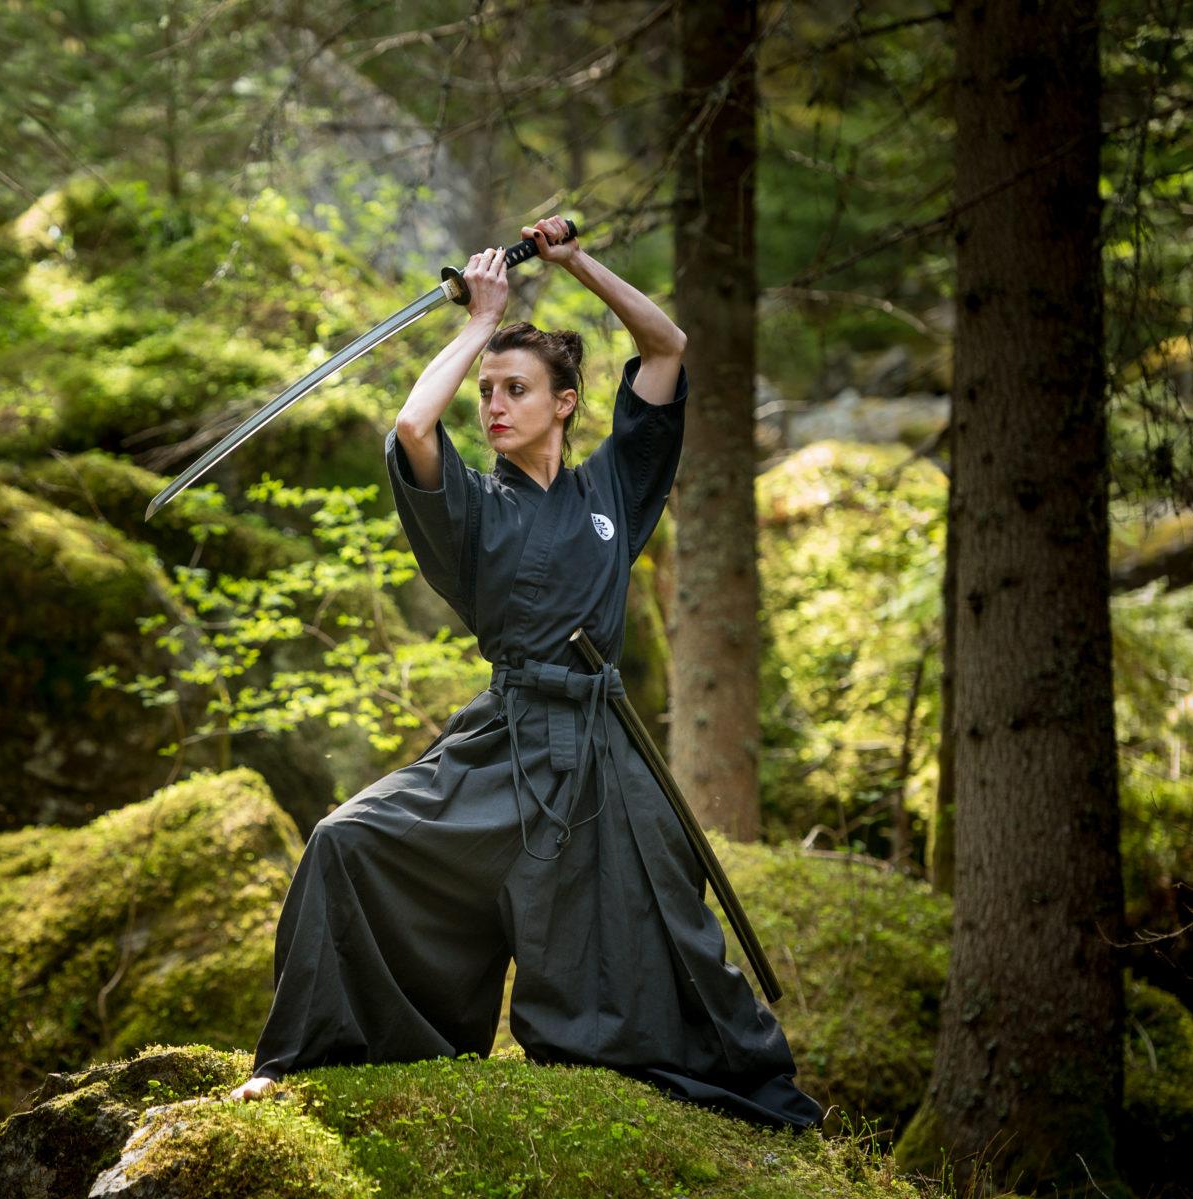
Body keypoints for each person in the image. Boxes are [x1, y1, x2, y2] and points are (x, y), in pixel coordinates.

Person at [226, 216, 819, 1129]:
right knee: (347, 840)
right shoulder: (472, 508)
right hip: (503, 740)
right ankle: (313, 1051)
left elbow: (666, 344)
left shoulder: (617, 485)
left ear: (567, 401)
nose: (493, 405)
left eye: (515, 388)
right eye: (487, 391)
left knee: (667, 926)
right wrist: (477, 323)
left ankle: (699, 1078)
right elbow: (413, 422)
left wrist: (577, 262)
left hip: (603, 751)